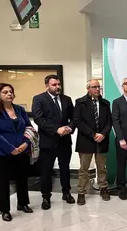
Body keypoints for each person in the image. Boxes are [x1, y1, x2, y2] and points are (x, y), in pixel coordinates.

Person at [0, 83, 33, 222]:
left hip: (22, 150)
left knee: (22, 178)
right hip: (1, 153)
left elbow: (29, 127)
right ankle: (4, 210)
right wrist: (11, 149)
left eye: (11, 91)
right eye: (5, 92)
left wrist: (26, 144)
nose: (9, 94)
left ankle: (23, 203)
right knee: (2, 181)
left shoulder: (19, 109)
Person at [32, 74, 76, 210]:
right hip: (47, 142)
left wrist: (69, 127)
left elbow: (74, 117)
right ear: (47, 86)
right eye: (54, 85)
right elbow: (39, 119)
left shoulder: (66, 99)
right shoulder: (39, 99)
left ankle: (66, 192)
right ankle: (46, 197)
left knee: (65, 168)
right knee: (46, 170)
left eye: (58, 84)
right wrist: (56, 129)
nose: (57, 87)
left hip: (64, 141)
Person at [74, 79, 112, 205]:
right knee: (84, 169)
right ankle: (81, 192)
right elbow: (78, 121)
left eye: (98, 87)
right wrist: (93, 134)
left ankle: (103, 188)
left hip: (101, 140)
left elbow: (109, 122)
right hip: (86, 140)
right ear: (88, 88)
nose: (97, 89)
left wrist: (103, 134)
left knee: (101, 168)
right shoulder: (80, 102)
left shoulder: (106, 103)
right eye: (94, 87)